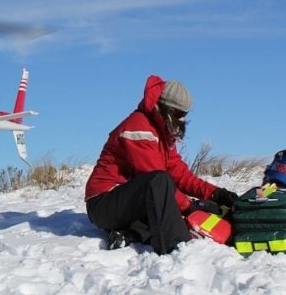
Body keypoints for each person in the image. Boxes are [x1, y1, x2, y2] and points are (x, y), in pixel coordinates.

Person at [84, 75, 238, 255]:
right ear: (163, 108)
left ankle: (131, 232)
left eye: (185, 115)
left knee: (169, 199)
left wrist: (216, 194)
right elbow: (156, 181)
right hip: (104, 204)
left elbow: (180, 175)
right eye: (179, 114)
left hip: (128, 201)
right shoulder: (139, 128)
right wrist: (191, 206)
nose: (182, 120)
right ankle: (176, 247)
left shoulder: (162, 134)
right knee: (160, 184)